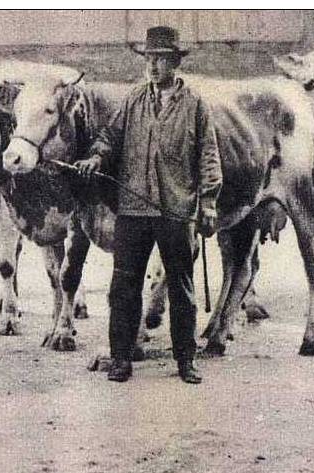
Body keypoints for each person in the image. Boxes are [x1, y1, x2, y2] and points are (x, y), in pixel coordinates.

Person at [75, 26, 221, 384]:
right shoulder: (133, 100)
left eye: (161, 59)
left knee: (181, 288)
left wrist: (209, 203)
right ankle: (121, 359)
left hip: (175, 209)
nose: (153, 66)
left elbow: (208, 154)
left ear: (174, 63)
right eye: (150, 59)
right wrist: (96, 157)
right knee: (124, 287)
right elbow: (110, 137)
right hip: (133, 210)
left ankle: (186, 360)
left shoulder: (195, 104)